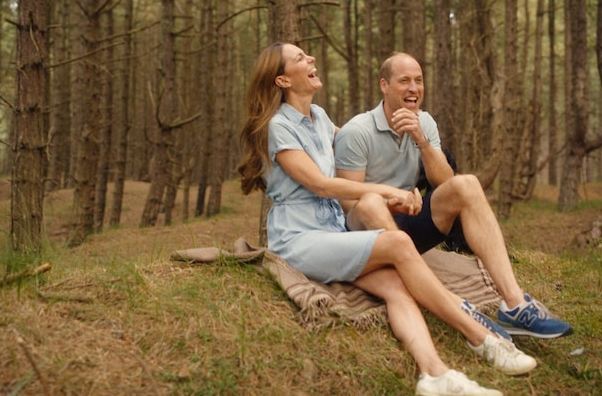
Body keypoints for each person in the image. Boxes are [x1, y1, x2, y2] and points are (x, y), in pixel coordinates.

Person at [238, 42, 537, 396]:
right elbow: (319, 184)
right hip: (299, 239)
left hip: (335, 233)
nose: (311, 59)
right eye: (300, 58)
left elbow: (354, 143)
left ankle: (435, 375)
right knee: (397, 243)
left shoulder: (319, 118)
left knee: (396, 286)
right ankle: (480, 335)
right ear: (282, 80)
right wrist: (388, 192)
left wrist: (406, 177)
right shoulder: (278, 126)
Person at [334, 51, 573, 339]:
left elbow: (445, 183)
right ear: (384, 86)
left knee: (467, 184)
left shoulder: (426, 123)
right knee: (370, 203)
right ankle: (452, 303)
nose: (414, 88)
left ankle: (514, 304)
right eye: (404, 81)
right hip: (367, 234)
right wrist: (391, 203)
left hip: (408, 224)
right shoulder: (357, 131)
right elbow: (347, 202)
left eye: (419, 81)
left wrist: (421, 140)